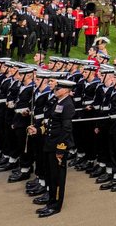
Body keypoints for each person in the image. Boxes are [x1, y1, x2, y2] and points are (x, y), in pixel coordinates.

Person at [33, 78, 75, 218]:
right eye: (56, 88)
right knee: (51, 176)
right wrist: (38, 130)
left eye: (59, 89)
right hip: (50, 144)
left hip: (58, 146)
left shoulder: (68, 104)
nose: (56, 90)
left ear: (66, 91)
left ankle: (55, 205)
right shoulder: (58, 102)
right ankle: (51, 202)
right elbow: (51, 124)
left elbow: (66, 129)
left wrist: (61, 149)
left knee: (57, 178)